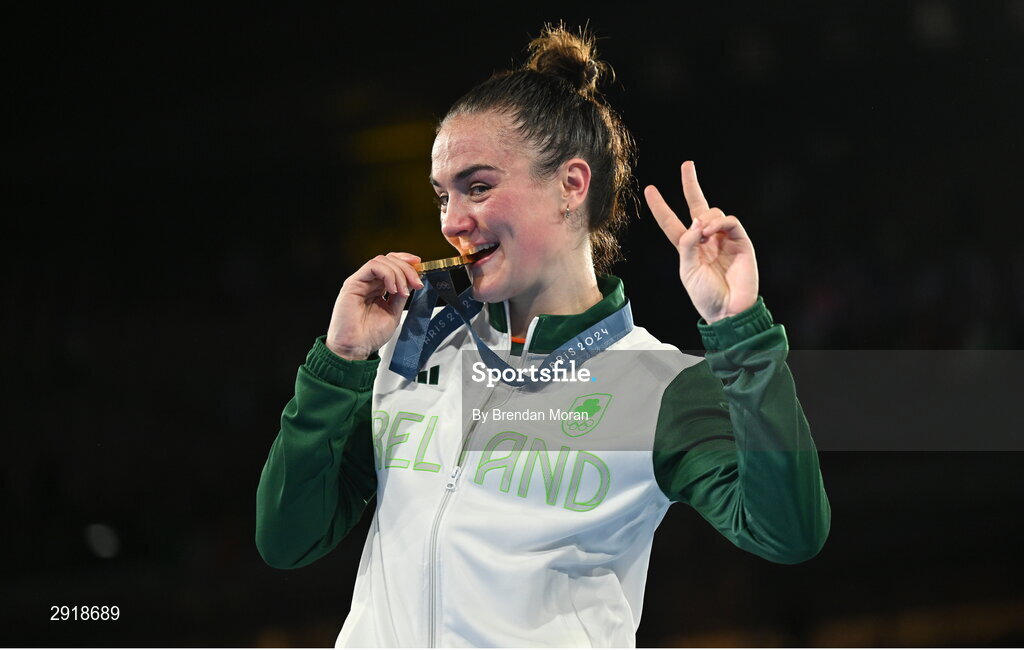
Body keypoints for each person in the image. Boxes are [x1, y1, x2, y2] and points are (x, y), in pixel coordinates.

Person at [256, 24, 830, 648]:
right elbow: (289, 540)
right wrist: (339, 363)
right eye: (442, 195)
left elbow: (789, 534)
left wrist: (737, 332)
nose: (452, 220)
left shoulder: (660, 387)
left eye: (478, 187)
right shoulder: (417, 344)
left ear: (571, 185)